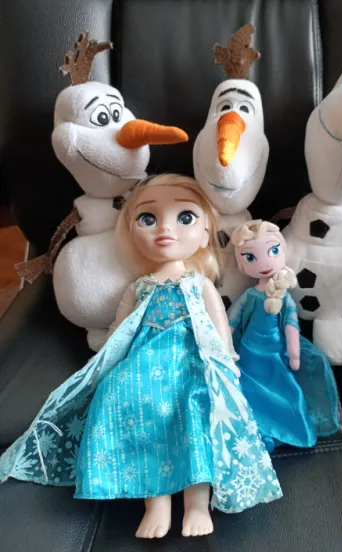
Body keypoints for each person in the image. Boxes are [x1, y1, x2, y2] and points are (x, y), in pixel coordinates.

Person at [0, 175, 282, 539]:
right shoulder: (139, 287)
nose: (165, 229)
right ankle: (156, 504)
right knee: (125, 401)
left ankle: (197, 504)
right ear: (131, 232)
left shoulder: (199, 284)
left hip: (192, 361)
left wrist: (227, 358)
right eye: (148, 219)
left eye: (185, 218)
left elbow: (218, 326)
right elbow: (120, 331)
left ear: (205, 232)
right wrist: (108, 365)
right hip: (143, 365)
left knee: (195, 410)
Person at [229, 219, 340, 453]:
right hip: (248, 350)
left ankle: (284, 428)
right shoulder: (249, 295)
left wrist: (294, 354)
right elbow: (232, 320)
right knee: (249, 389)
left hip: (277, 352)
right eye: (250, 257)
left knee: (284, 388)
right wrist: (225, 345)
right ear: (241, 263)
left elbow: (291, 325)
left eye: (273, 251)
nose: (264, 263)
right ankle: (257, 427)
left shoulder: (284, 296)